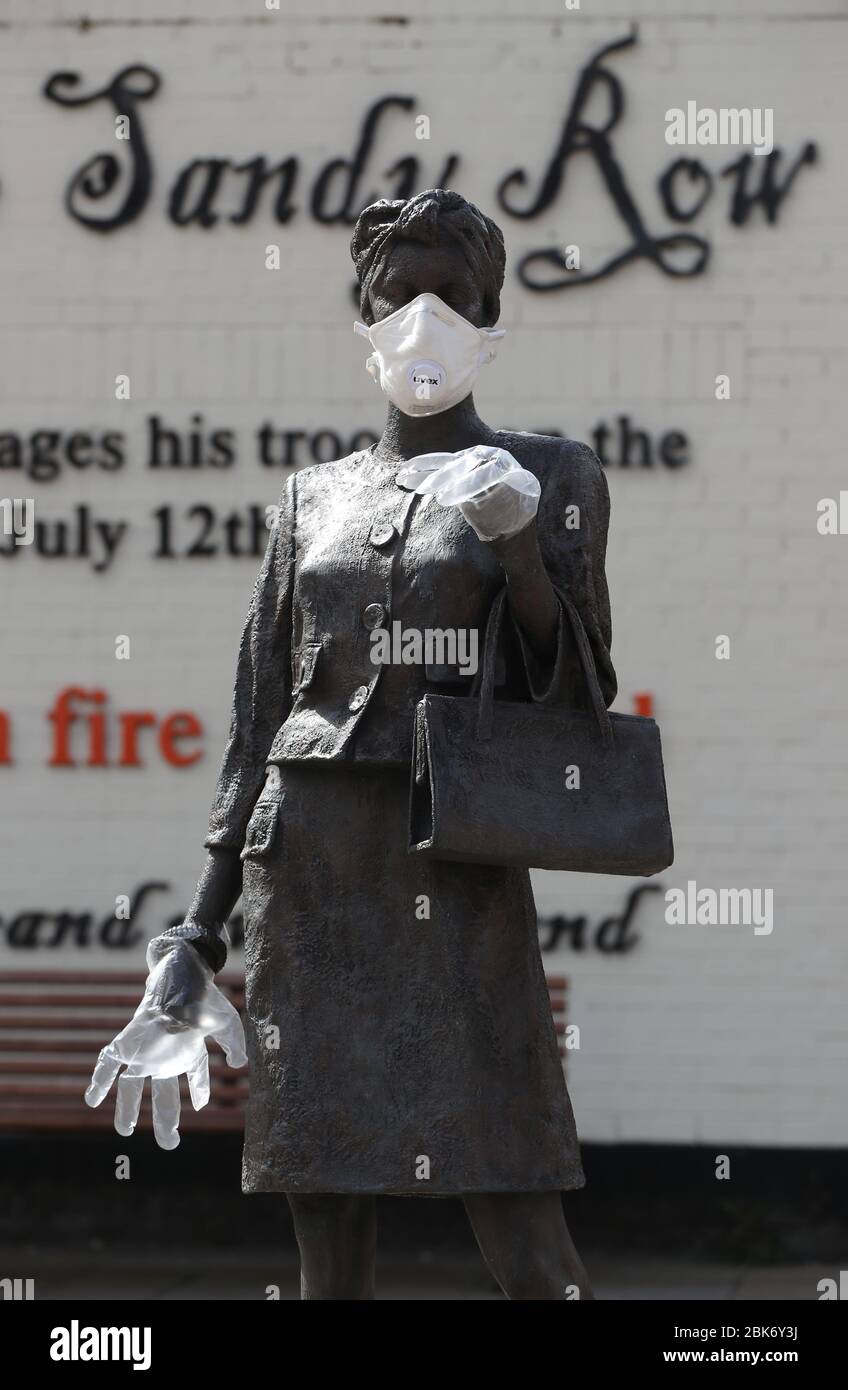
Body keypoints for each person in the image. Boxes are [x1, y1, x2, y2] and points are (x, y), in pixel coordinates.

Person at [87, 189, 617, 1300]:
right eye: (398, 291)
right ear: (363, 308)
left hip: (456, 876)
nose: (423, 317)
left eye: (452, 295)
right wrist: (194, 938)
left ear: (489, 314)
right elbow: (258, 721)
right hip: (310, 883)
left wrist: (518, 551)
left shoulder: (550, 475)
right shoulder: (308, 498)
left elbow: (573, 692)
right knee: (325, 1238)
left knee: (521, 1221)